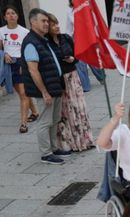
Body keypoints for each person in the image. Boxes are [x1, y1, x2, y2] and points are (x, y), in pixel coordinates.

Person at [21, 8, 69, 165]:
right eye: (43, 21)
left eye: (47, 21)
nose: (47, 24)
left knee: (54, 120)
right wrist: (44, 92)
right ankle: (46, 153)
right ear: (33, 22)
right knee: (44, 122)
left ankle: (54, 148)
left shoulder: (43, 40)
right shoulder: (30, 43)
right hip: (45, 90)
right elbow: (33, 70)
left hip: (54, 86)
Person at [49, 15, 94, 153]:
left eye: (57, 23)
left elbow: (78, 55)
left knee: (79, 108)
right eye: (53, 24)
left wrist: (73, 59)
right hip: (60, 79)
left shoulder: (66, 38)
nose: (57, 26)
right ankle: (69, 142)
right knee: (65, 111)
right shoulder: (47, 43)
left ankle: (84, 139)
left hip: (73, 77)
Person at [0, 6, 38, 134]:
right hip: (9, 64)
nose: (11, 15)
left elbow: (28, 49)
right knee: (21, 92)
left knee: (23, 94)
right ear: (4, 17)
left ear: (17, 16)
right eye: (8, 13)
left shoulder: (24, 31)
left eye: (13, 13)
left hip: (21, 62)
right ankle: (35, 112)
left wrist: (24, 64)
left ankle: (23, 123)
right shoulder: (1, 31)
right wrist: (4, 55)